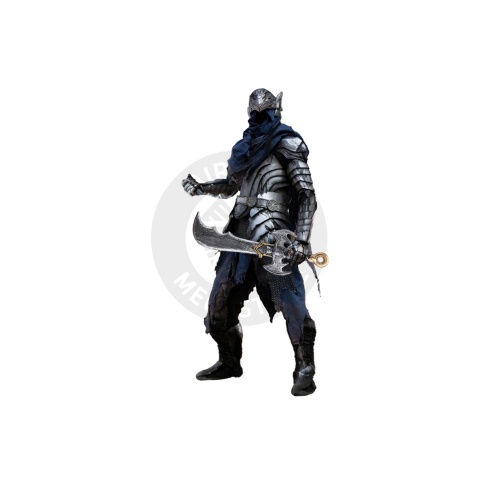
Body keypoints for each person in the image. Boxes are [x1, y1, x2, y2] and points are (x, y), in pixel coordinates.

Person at [182, 88, 319, 396]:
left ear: (276, 111)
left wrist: (301, 239)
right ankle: (229, 362)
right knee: (219, 303)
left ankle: (305, 368)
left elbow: (306, 194)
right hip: (238, 237)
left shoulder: (287, 142)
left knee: (291, 302)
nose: (260, 118)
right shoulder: (244, 148)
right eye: (255, 114)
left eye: (264, 113)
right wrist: (202, 187)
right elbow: (231, 187)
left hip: (274, 237)